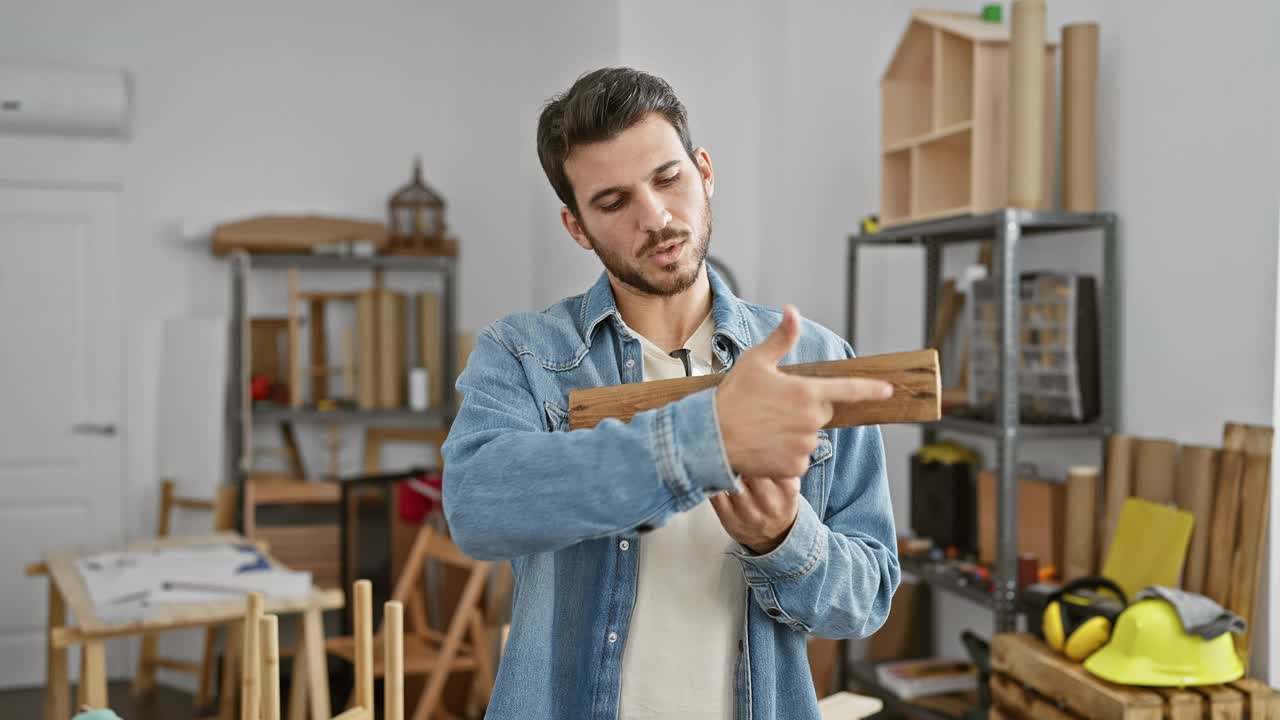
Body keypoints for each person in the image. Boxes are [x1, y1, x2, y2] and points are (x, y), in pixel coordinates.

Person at [442, 67, 899, 720]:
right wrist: (703, 443)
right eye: (613, 202)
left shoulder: (815, 359)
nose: (654, 217)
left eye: (667, 178)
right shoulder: (525, 354)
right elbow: (476, 505)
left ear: (704, 171)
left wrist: (784, 538)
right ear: (577, 227)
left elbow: (867, 601)